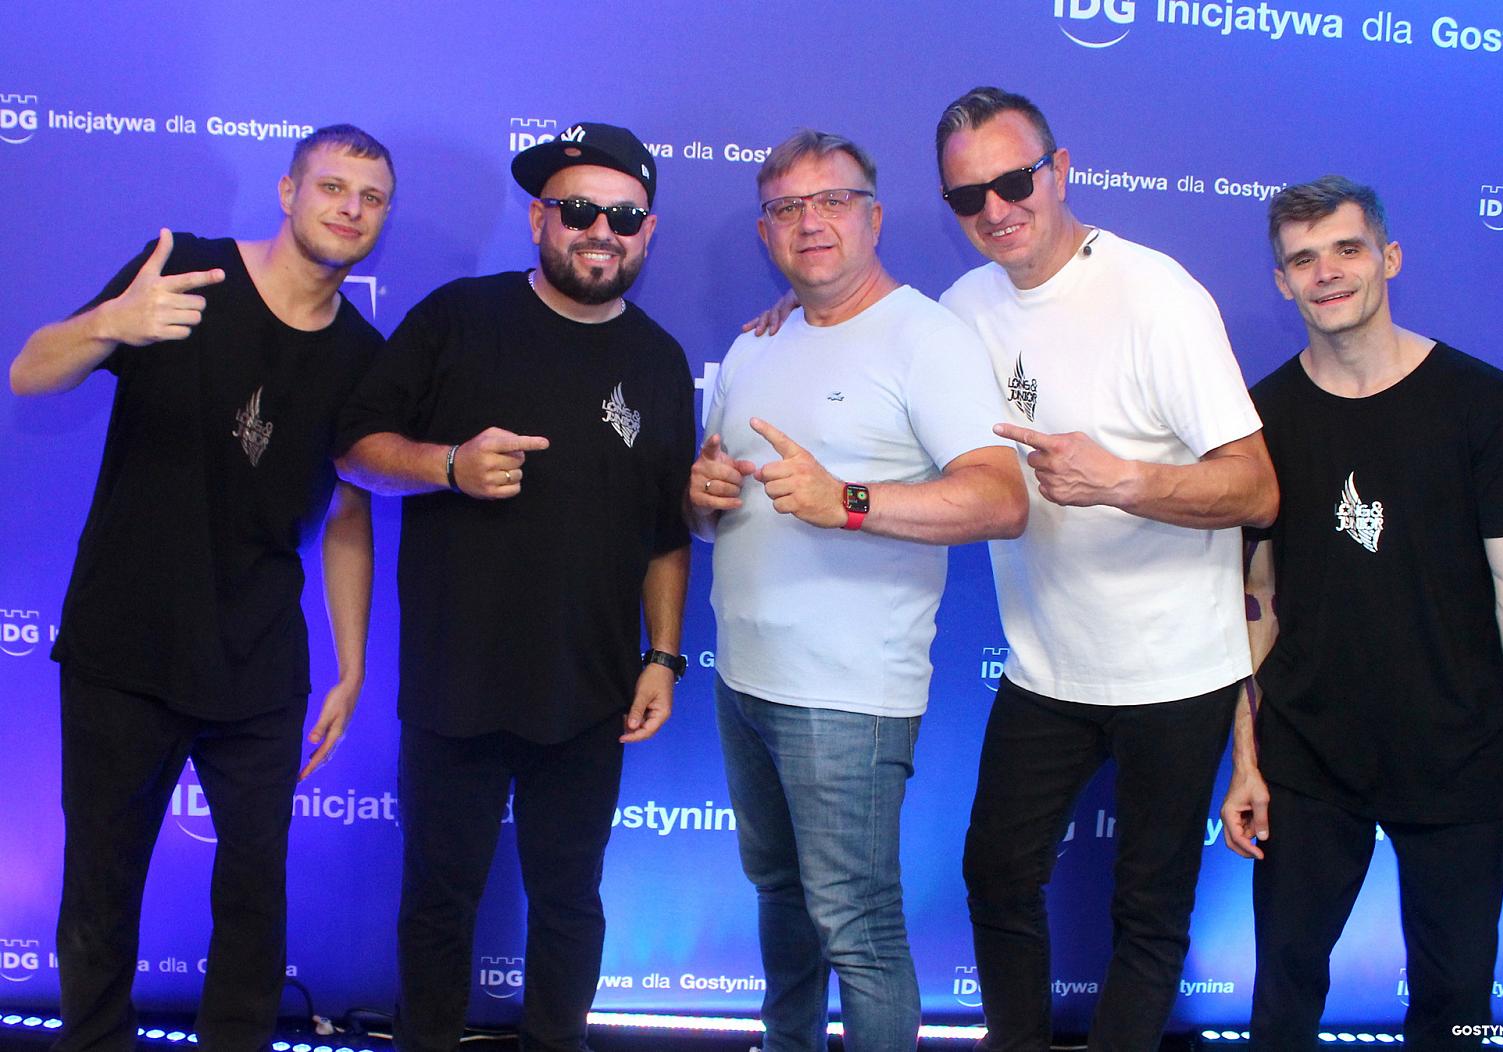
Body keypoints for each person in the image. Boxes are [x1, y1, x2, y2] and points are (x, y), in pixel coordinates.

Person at [9, 124, 395, 1052]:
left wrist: (351, 666)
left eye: (371, 197)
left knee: (255, 900)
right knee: (100, 891)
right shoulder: (181, 270)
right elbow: (28, 373)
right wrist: (110, 324)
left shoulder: (364, 355)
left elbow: (349, 514)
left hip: (259, 662)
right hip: (122, 649)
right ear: (287, 192)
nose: (350, 209)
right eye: (331, 187)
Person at [336, 121, 693, 1052]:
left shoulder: (660, 360)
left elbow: (667, 532)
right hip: (455, 681)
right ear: (540, 219)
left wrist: (663, 655)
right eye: (579, 211)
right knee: (438, 899)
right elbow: (355, 449)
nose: (600, 231)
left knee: (570, 901)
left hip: (589, 691)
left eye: (623, 217)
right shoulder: (457, 317)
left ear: (647, 233)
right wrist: (448, 464)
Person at [934, 87, 1278, 1051]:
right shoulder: (962, 309)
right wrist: (793, 318)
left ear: (1060, 170)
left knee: (1150, 911)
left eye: (1014, 181)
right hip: (1047, 666)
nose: (996, 209)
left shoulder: (1156, 295)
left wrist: (1126, 480)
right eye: (967, 196)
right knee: (996, 872)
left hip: (1177, 671)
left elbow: (1257, 490)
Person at [688, 128, 1027, 1052]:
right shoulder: (757, 341)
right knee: (780, 898)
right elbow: (711, 512)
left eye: (833, 200)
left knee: (858, 930)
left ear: (874, 217)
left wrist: (848, 500)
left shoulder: (927, 339)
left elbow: (1002, 500)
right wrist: (700, 496)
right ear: (766, 232)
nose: (811, 222)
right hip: (745, 682)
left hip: (848, 696)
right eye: (787, 208)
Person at [1219, 176, 1503, 1051]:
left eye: (1347, 249)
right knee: (1281, 1003)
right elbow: (1249, 599)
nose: (1327, 273)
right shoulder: (1261, 419)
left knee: (1456, 1007)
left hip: (1457, 750)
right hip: (1308, 755)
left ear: (1390, 258)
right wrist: (1246, 760)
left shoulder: (1482, 402)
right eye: (1303, 259)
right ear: (1281, 282)